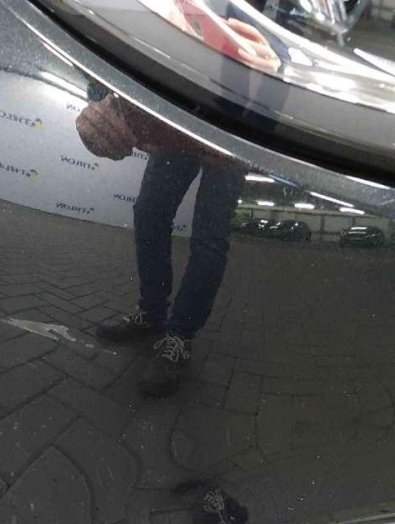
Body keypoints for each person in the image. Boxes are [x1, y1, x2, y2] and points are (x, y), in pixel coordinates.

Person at [76, 1, 281, 397]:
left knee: (209, 237)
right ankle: (152, 312)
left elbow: (282, 55)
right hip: (178, 113)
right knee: (150, 212)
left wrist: (257, 130)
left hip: (232, 124)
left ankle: (180, 336)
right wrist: (99, 96)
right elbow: (126, 24)